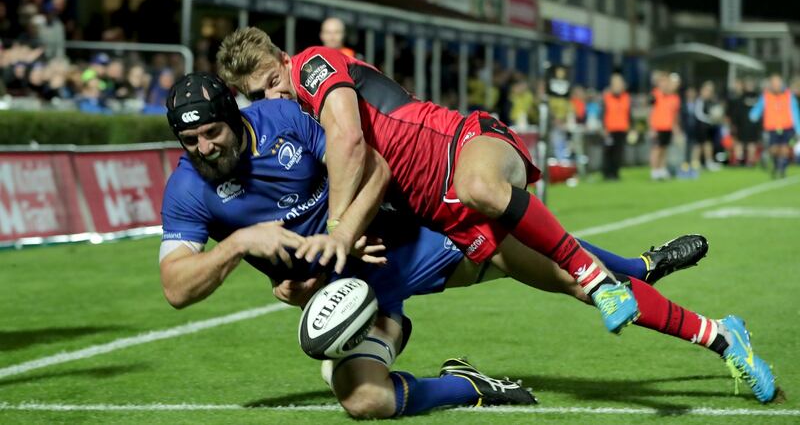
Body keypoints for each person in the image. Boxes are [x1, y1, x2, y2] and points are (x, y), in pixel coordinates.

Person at [159, 74, 777, 418]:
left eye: (213, 133)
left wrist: (341, 234)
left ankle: (718, 334)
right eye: (191, 142)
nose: (205, 149)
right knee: (366, 400)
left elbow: (372, 166)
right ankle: (473, 386)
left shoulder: (285, 122)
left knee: (575, 280)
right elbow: (176, 289)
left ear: (235, 117)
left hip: (421, 239)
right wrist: (240, 245)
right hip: (359, 294)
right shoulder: (188, 190)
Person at [217, 28, 644, 335]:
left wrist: (338, 229)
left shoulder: (312, 65)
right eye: (258, 95)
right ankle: (631, 274)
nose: (272, 96)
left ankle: (630, 273)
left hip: (440, 165)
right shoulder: (294, 118)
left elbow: (350, 141)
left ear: (284, 59)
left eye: (273, 81)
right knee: (518, 259)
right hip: (410, 205)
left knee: (517, 254)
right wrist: (294, 275)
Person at [749, 73, 799, 178]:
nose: (776, 85)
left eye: (777, 83)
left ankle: (782, 169)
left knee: (784, 149)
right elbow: (759, 108)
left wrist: (798, 128)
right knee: (774, 149)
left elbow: (794, 111)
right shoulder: (766, 96)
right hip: (771, 127)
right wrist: (754, 115)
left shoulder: (789, 95)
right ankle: (775, 164)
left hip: (787, 126)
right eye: (773, 83)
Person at [648, 73, 681, 180]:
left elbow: (675, 115)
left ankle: (661, 169)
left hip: (668, 127)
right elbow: (650, 111)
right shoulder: (655, 94)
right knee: (656, 149)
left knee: (664, 149)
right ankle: (654, 171)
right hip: (657, 127)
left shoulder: (675, 98)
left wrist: (676, 128)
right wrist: (651, 128)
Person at [601, 73, 630, 181]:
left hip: (622, 128)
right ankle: (607, 173)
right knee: (608, 152)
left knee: (619, 153)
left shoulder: (626, 97)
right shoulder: (607, 97)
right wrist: (603, 127)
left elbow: (629, 113)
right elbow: (603, 113)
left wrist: (631, 127)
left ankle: (615, 173)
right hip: (609, 129)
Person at [693, 81, 722, 172]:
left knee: (708, 144)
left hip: (708, 127)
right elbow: (699, 114)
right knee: (699, 145)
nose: (709, 92)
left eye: (710, 91)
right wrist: (710, 119)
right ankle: (695, 163)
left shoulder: (711, 101)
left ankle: (708, 162)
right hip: (700, 126)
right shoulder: (699, 100)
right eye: (707, 90)